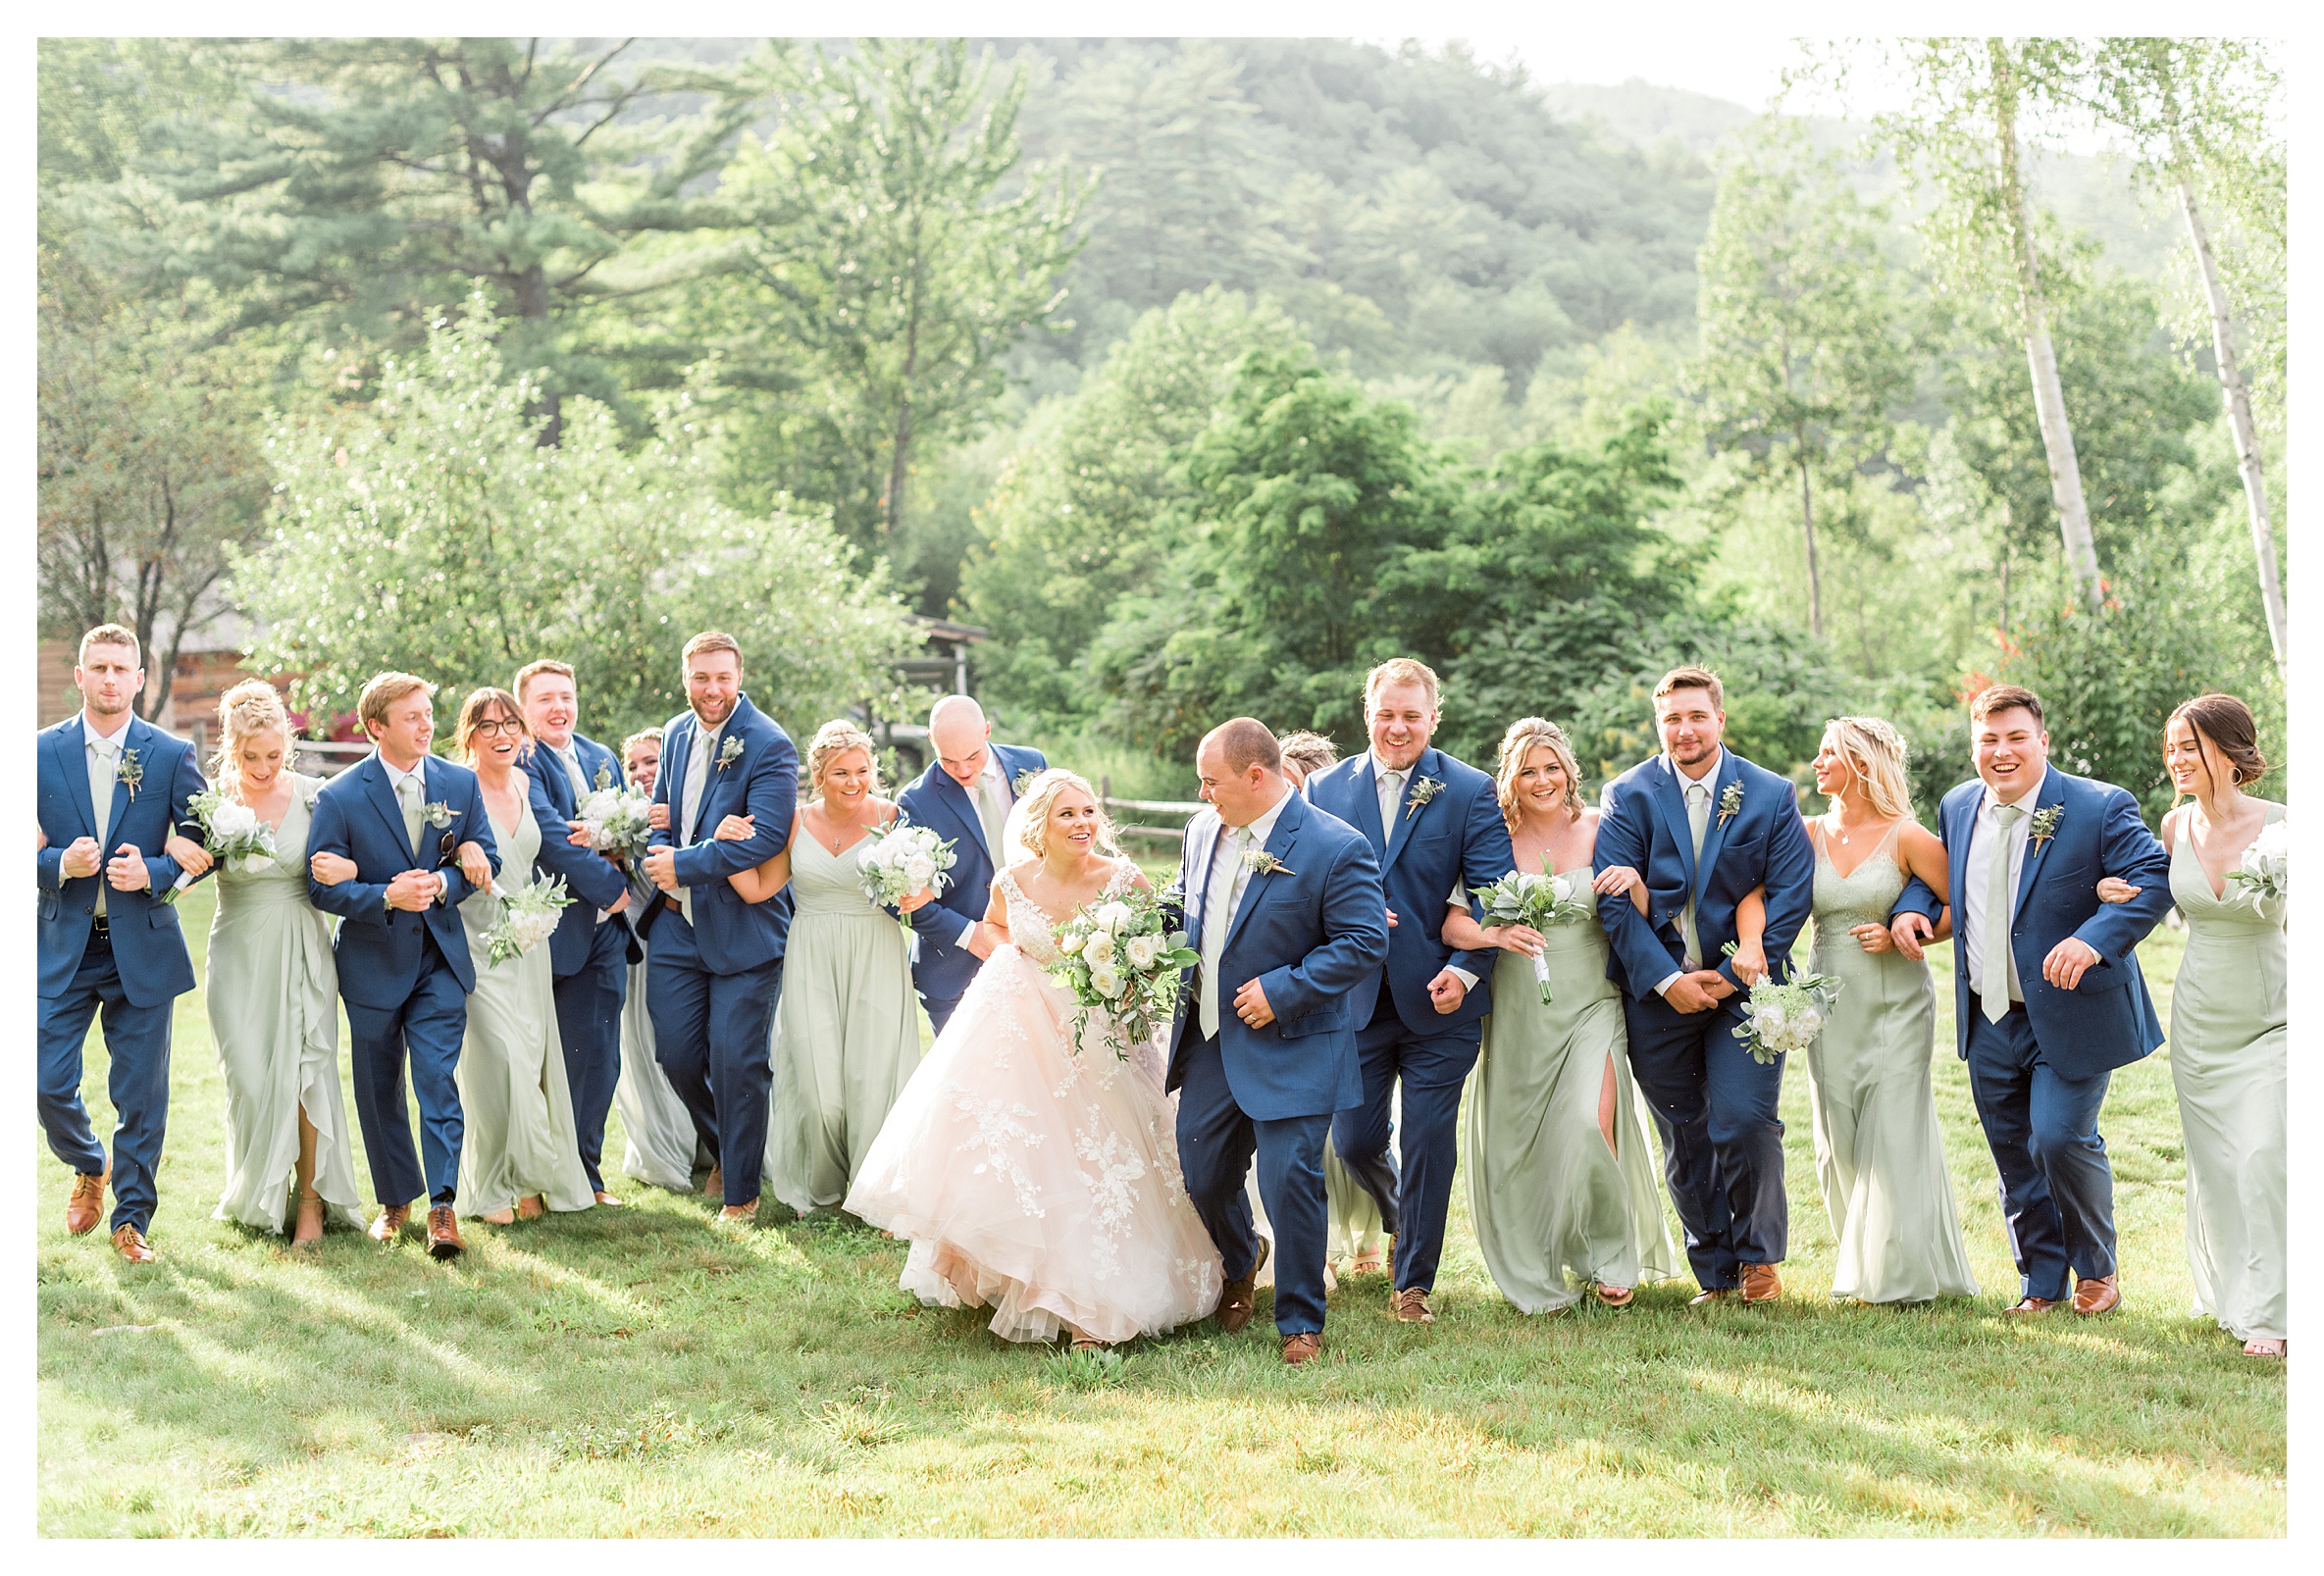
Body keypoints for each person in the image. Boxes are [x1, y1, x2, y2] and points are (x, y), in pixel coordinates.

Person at [848, 769, 1224, 1348]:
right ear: (1039, 826)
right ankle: (1018, 1273)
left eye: (1089, 812)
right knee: (1024, 1156)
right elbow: (998, 931)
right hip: (1023, 1031)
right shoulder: (1012, 881)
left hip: (1101, 1035)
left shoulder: (1124, 881)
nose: (1082, 823)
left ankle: (1095, 1303)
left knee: (1102, 1162)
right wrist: (1022, 968)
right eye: (1067, 814)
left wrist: (1119, 981)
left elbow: (1151, 959)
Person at [1888, 684, 2170, 1318]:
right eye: (1987, 739)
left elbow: (2154, 876)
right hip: (1987, 1013)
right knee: (2013, 1151)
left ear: (2042, 740)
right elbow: (1930, 880)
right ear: (1972, 746)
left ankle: (2097, 1270)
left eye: (2015, 736)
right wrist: (1910, 912)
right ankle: (2040, 1282)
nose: (2001, 750)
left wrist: (2092, 940)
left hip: (2070, 1010)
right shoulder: (1958, 805)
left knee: (2059, 1136)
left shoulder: (2098, 806)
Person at [1168, 720, 1391, 1365]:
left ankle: (1299, 1319)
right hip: (1212, 1036)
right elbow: (1191, 909)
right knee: (1201, 1171)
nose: (1204, 792)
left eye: (1212, 781)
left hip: (1295, 1037)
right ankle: (1242, 1259)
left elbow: (1361, 942)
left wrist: (1284, 989)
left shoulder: (1334, 845)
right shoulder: (1200, 831)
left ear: (1256, 777)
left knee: (1289, 1175)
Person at [1594, 666, 1817, 1307]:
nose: (1683, 729)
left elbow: (1789, 892)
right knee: (1684, 1131)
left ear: (1719, 718)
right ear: (1657, 724)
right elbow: (1614, 900)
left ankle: (1757, 1259)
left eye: (1696, 715)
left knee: (1745, 1120)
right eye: (1671, 718)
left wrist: (1725, 977)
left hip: (1743, 990)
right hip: (1655, 991)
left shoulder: (1769, 793)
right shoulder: (1627, 794)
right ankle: (1714, 1271)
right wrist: (1667, 980)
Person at [1303, 658, 1516, 1324]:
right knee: (1355, 1142)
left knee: (1428, 1135)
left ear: (1434, 717)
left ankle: (1413, 1282)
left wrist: (1466, 969)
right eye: (1386, 713)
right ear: (1365, 712)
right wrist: (1342, 918)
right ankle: (1400, 1216)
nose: (1398, 727)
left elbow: (1494, 895)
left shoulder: (1469, 790)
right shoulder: (1320, 789)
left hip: (1441, 996)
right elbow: (1300, 890)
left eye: (1411, 715)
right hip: (1354, 999)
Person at [1443, 717, 1678, 1313]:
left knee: (1588, 1121)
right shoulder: (1491, 836)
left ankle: (1609, 1257)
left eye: (1552, 767)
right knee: (1520, 1143)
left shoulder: (1603, 828)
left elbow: (1650, 914)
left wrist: (1635, 882)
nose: (1542, 780)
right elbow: (1454, 922)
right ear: (1511, 778)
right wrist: (1494, 936)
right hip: (1519, 1009)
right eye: (1528, 770)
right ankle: (1538, 1261)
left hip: (1592, 1001)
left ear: (1569, 772)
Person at [306, 672, 500, 1259]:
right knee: (377, 1088)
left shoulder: (459, 784)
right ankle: (395, 1202)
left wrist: (443, 880)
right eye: (411, 716)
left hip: (440, 959)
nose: (426, 724)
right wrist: (383, 897)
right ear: (376, 728)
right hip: (371, 962)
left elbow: (483, 857)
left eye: (427, 713)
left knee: (437, 1079)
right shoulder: (339, 796)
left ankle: (443, 1207)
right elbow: (320, 888)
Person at [35, 624, 210, 1262]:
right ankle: (89, 1161)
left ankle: (130, 1221)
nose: (110, 678)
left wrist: (156, 873)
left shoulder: (168, 753)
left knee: (141, 1095)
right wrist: (59, 862)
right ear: (80, 676)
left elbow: (203, 846)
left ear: (139, 679)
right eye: (98, 667)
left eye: (121, 669)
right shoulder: (34, 752)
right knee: (42, 1081)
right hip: (61, 945)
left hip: (143, 944)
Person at [1790, 717, 1978, 1304]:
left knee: (1893, 1129)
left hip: (1896, 1001)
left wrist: (1912, 933)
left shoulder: (1907, 836)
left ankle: (1895, 1276)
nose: (1816, 764)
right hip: (1829, 1000)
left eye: (1829, 755)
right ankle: (1861, 1256)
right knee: (1837, 1134)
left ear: (1862, 765)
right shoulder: (1806, 831)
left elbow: (1960, 908)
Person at [710, 721, 929, 1217]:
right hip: (810, 953)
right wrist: (725, 843)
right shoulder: (794, 820)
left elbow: (920, 893)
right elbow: (758, 888)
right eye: (840, 773)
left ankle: (873, 1191)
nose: (854, 782)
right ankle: (826, 1188)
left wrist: (919, 890)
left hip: (875, 950)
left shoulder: (894, 817)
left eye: (862, 771)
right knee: (818, 1085)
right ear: (817, 776)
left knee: (873, 1078)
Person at [192, 681, 366, 1244]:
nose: (263, 767)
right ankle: (262, 1191)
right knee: (246, 1074)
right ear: (230, 749)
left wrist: (353, 872)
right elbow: (186, 866)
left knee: (304, 1073)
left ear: (286, 747)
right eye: (250, 757)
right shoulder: (213, 800)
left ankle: (310, 1203)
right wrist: (178, 850)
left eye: (273, 755)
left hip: (300, 942)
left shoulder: (319, 795)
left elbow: (361, 854)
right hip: (237, 949)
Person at [641, 632, 799, 1223]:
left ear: (739, 676)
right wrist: (660, 853)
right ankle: (728, 1149)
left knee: (738, 1061)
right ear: (685, 677)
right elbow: (663, 816)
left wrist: (685, 861)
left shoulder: (769, 745)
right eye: (701, 678)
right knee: (677, 1056)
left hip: (744, 929)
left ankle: (741, 1191)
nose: (712, 690)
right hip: (677, 926)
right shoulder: (675, 733)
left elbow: (764, 839)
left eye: (722, 678)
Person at [2153, 694, 2285, 1357]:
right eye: (2172, 746)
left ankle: (2273, 1312)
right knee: (2219, 1168)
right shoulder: (2172, 827)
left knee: (2264, 1157)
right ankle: (2235, 1292)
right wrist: (2120, 890)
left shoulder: (2287, 825)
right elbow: (2153, 887)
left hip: (2274, 1018)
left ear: (2231, 753)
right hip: (2198, 1020)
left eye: (2190, 746)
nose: (2176, 758)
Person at [444, 688, 594, 1224]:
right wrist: (462, 848)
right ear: (469, 736)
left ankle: (529, 1182)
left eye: (510, 724)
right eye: (488, 727)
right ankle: (490, 1187)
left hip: (527, 944)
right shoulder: (453, 788)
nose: (502, 735)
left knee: (530, 1061)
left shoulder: (527, 783)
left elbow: (542, 850)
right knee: (496, 1063)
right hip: (476, 943)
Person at [514, 659, 636, 1207]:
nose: (558, 707)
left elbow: (625, 826)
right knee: (550, 1056)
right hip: (553, 929)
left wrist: (618, 852)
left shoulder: (600, 756)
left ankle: (587, 1175)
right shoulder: (523, 758)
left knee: (600, 1056)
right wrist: (611, 887)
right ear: (524, 708)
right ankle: (543, 1174)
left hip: (607, 935)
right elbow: (550, 838)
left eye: (566, 696)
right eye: (544, 699)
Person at [1277, 730, 1386, 1282]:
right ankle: (1312, 1249)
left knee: (1354, 1137)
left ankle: (1374, 1235)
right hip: (1293, 994)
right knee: (1311, 1145)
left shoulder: (1337, 833)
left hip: (1348, 991)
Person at [896, 695, 1048, 1034]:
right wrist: (970, 935)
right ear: (931, 741)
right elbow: (904, 901)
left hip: (1037, 960)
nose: (964, 770)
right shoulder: (914, 801)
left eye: (973, 756)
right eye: (948, 761)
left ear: (988, 731)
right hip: (956, 974)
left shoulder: (1032, 766)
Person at [606, 728, 705, 1192]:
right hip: (636, 950)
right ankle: (662, 1150)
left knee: (692, 1049)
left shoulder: (688, 815)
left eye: (652, 763)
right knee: (645, 1051)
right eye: (634, 765)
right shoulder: (616, 822)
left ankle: (707, 1144)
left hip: (685, 946)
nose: (643, 773)